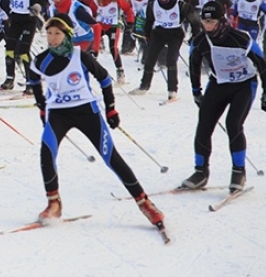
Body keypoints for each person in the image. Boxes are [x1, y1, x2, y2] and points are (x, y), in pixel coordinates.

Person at [28, 14, 164, 228]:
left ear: (67, 35)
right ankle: (54, 204)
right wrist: (42, 106)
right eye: (49, 33)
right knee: (46, 152)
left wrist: (110, 109)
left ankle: (145, 203)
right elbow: (33, 79)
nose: (52, 38)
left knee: (111, 157)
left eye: (57, 33)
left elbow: (104, 78)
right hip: (58, 114)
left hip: (86, 112)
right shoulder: (41, 60)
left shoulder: (79, 56)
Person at [183, 1, 266, 192]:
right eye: (204, 21)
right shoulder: (200, 41)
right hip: (219, 83)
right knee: (204, 124)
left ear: (222, 21)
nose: (207, 26)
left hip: (244, 84)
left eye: (211, 21)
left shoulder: (241, 38)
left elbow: (262, 64)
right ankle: (200, 172)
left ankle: (238, 171)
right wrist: (196, 92)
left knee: (233, 124)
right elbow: (194, 65)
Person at [129, 0, 201, 99]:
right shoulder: (153, 5)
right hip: (159, 33)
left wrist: (194, 35)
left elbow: (195, 21)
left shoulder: (181, 5)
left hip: (175, 33)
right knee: (150, 58)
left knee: (171, 60)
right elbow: (149, 21)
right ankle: (144, 85)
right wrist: (147, 35)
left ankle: (172, 90)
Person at [0, 0, 47, 92]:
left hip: (28, 19)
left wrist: (38, 6)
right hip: (15, 18)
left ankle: (31, 82)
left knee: (24, 51)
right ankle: (9, 78)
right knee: (9, 49)